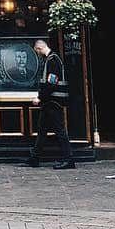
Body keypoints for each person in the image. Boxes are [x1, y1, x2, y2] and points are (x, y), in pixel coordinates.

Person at [27, 38, 74, 169]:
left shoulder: (53, 60)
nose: (38, 55)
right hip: (49, 102)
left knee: (59, 130)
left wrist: (40, 98)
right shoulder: (50, 59)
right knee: (42, 129)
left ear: (39, 48)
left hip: (54, 102)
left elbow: (51, 82)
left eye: (37, 52)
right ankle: (35, 157)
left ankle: (69, 159)